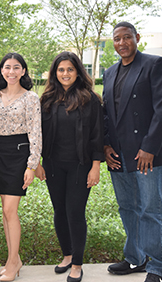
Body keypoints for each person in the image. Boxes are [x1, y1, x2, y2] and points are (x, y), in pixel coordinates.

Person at [103, 22, 162, 282]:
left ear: (137, 38)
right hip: (119, 154)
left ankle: (157, 266)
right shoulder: (110, 72)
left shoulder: (154, 64)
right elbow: (107, 114)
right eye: (117, 39)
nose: (122, 43)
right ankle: (135, 258)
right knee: (128, 208)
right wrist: (106, 145)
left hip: (147, 155)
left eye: (127, 37)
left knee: (151, 209)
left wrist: (149, 148)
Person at [38, 52, 104, 282]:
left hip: (80, 165)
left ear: (78, 72)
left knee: (75, 212)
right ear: (55, 73)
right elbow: (36, 132)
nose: (65, 74)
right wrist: (37, 162)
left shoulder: (90, 99)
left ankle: (77, 263)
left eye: (70, 69)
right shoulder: (46, 99)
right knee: (59, 211)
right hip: (53, 164)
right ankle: (66, 254)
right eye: (61, 70)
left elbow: (98, 134)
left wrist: (95, 166)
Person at [0, 53, 42, 281]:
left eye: (16, 67)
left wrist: (32, 165)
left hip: (21, 154)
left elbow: (36, 132)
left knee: (11, 210)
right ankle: (14, 258)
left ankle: (13, 262)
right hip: (1, 153)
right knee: (5, 211)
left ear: (23, 71)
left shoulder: (30, 98)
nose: (11, 71)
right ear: (1, 70)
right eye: (7, 67)